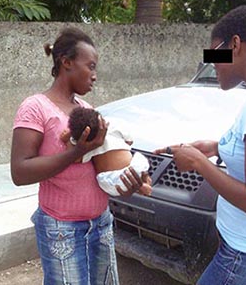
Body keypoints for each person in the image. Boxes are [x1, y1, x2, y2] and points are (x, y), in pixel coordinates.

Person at [155, 5, 246, 285]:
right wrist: (216, 147)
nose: (211, 62)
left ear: (235, 45)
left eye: (214, 52)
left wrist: (199, 163)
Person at [10, 27, 151, 285]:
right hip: (61, 229)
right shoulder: (35, 107)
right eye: (91, 66)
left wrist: (125, 184)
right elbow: (20, 171)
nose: (95, 76)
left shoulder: (86, 109)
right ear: (66, 63)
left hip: (100, 224)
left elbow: (100, 168)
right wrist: (77, 151)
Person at [60, 106, 152, 196]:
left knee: (127, 179)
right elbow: (129, 141)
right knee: (140, 161)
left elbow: (75, 158)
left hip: (108, 182)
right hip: (131, 171)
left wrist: (67, 140)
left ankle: (142, 184)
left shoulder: (88, 145)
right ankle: (142, 185)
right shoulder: (114, 126)